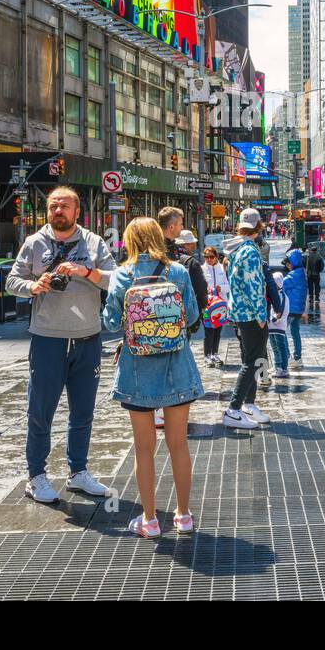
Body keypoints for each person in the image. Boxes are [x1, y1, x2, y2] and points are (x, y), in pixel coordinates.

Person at [6, 186, 117, 503]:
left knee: (83, 411)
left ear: (77, 211)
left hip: (88, 338)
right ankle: (36, 476)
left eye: (65, 206)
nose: (58, 211)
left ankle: (78, 472)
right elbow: (12, 282)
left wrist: (87, 271)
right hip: (48, 339)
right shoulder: (34, 243)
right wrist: (34, 285)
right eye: (54, 206)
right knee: (40, 411)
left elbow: (116, 279)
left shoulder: (94, 242)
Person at [102, 217, 204, 538]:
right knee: (179, 445)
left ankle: (149, 521)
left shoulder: (122, 275)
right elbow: (193, 315)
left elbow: (110, 323)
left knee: (143, 448)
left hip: (137, 373)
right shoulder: (178, 271)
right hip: (177, 368)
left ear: (130, 241)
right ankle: (184, 516)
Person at [222, 208, 273, 430]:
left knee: (253, 358)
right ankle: (233, 409)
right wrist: (262, 315)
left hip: (239, 312)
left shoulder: (235, 249)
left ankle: (248, 404)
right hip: (252, 315)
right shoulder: (250, 252)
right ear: (258, 227)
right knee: (252, 362)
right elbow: (254, 287)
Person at [158, 207, 208, 322]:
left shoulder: (154, 247)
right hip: (172, 316)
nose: (182, 227)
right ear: (171, 227)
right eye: (180, 224)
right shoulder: (181, 258)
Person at [201, 244, 229, 368]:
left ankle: (215, 353)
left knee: (217, 330)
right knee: (208, 330)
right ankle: (207, 355)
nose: (209, 259)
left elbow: (228, 287)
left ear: (216, 257)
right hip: (208, 305)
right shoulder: (202, 269)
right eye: (206, 257)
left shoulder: (222, 269)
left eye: (211, 257)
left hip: (220, 305)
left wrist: (220, 288)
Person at [280, 248, 307, 372]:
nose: (287, 266)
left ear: (293, 262)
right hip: (298, 309)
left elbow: (279, 284)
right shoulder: (301, 273)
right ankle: (297, 358)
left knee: (280, 332)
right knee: (295, 333)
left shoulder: (293, 275)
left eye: (288, 263)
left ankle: (286, 357)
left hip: (290, 309)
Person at [303, 244, 324, 319]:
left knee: (310, 286)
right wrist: (319, 271)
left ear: (311, 250)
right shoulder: (319, 257)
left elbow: (304, 264)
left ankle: (311, 297)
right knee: (317, 285)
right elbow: (322, 266)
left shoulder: (308, 257)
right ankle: (317, 297)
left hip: (309, 274)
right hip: (316, 274)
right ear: (316, 250)